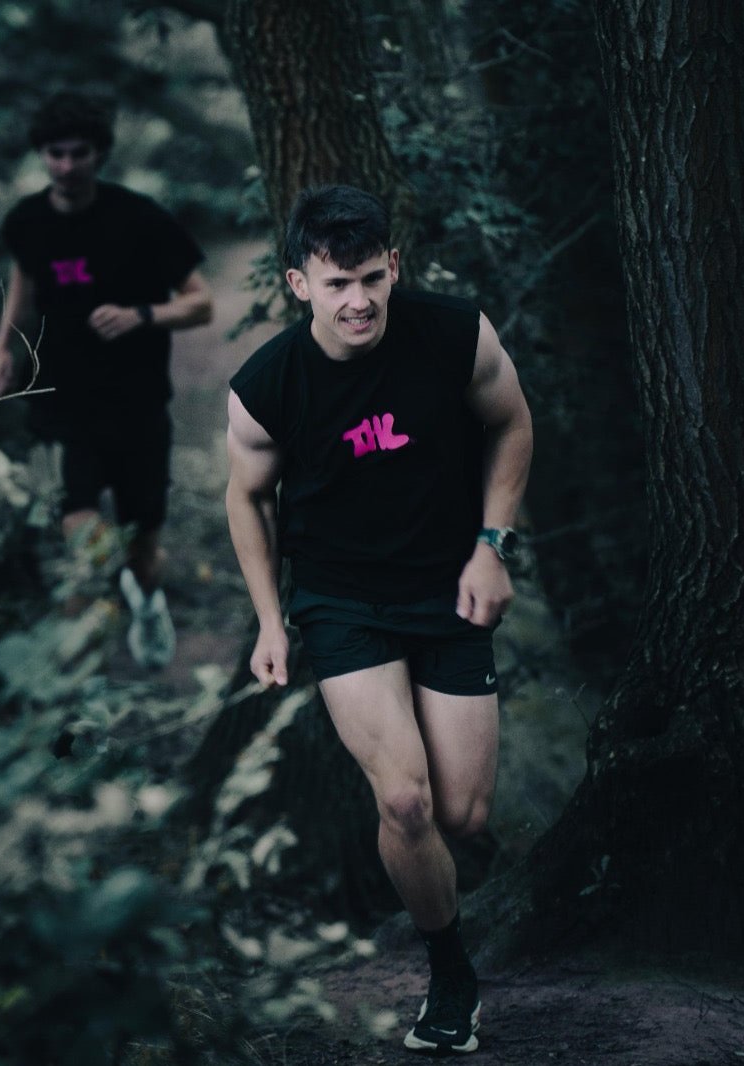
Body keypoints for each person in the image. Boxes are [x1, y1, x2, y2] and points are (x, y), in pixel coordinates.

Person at [225, 185, 533, 1055]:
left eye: (369, 277)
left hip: (447, 588)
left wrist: (492, 544)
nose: (357, 300)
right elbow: (245, 500)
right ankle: (449, 975)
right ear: (298, 284)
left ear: (393, 266)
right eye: (335, 284)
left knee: (464, 817)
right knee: (404, 801)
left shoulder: (452, 334)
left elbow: (512, 423)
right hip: (340, 601)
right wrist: (270, 622)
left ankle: (442, 890)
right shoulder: (267, 387)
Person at [0, 91, 213, 668]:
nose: (66, 165)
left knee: (143, 544)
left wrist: (141, 314)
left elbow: (201, 304)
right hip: (62, 403)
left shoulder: (139, 218)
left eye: (78, 153)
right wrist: (3, 350)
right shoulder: (26, 222)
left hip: (137, 403)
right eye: (55, 154)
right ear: (42, 155)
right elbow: (23, 289)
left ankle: (146, 600)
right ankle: (85, 654)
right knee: (78, 523)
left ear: (100, 154)